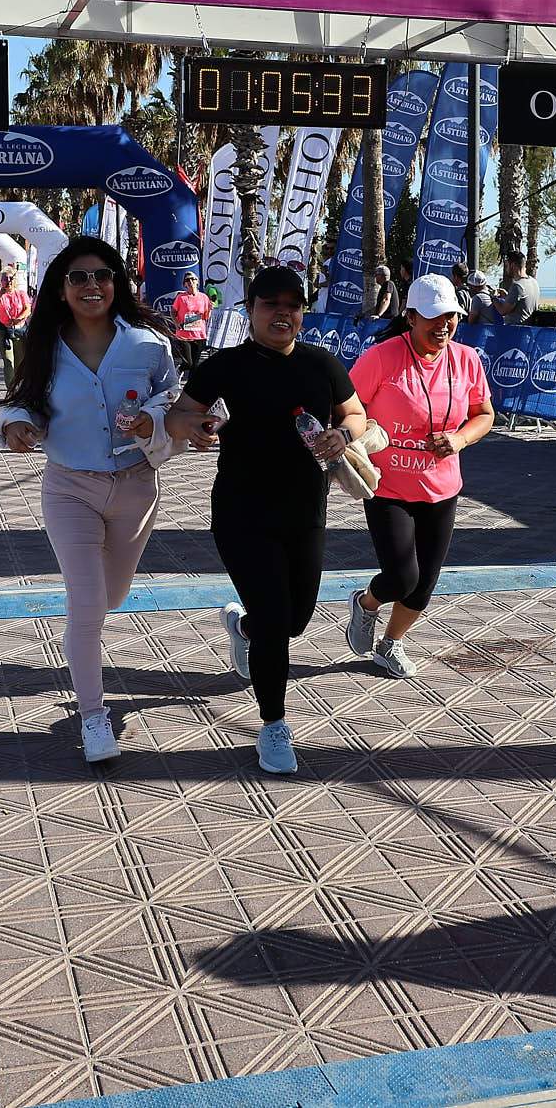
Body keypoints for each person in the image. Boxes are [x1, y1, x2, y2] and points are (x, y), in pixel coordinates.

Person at [167, 266, 370, 776]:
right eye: (270, 304)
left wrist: (344, 436)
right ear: (250, 311)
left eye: (293, 305)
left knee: (294, 619)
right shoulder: (226, 365)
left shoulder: (322, 363)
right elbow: (177, 415)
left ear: (302, 312)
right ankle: (274, 724)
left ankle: (245, 626)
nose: (283, 313)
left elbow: (357, 414)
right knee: (278, 621)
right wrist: (198, 428)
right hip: (241, 509)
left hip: (306, 510)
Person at [0, 237, 186, 764]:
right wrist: (17, 427)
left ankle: (92, 674)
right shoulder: (43, 343)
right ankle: (94, 718)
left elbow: (174, 397)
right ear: (61, 288)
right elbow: (22, 403)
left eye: (101, 275)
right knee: (86, 606)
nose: (91, 286)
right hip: (68, 488)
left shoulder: (148, 344)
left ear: (116, 284)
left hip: (136, 487)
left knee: (112, 597)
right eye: (78, 277)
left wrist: (154, 416)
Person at [345, 274, 496, 676]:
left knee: (424, 584)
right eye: (433, 317)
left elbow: (484, 415)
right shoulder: (380, 357)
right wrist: (352, 436)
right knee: (401, 576)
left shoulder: (466, 360)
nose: (444, 324)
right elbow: (347, 408)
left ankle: (390, 645)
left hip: (442, 486)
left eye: (451, 316)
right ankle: (366, 604)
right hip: (387, 484)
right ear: (410, 317)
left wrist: (460, 439)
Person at [0, 269, 32, 391]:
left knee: (20, 363)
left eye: (10, 278)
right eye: (5, 279)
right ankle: (11, 390)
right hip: (4, 331)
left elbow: (28, 309)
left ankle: (19, 388)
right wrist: (0, 293)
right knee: (9, 361)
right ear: (1, 281)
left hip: (19, 330)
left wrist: (19, 318)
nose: (8, 281)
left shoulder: (21, 293)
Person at [171, 272, 212, 373]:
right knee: (188, 363)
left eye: (192, 279)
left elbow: (206, 316)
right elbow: (172, 312)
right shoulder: (181, 297)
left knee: (195, 366)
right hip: (184, 334)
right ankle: (177, 372)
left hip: (199, 335)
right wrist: (176, 323)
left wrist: (210, 310)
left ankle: (191, 387)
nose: (190, 282)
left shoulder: (204, 297)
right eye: (187, 280)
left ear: (197, 282)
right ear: (184, 284)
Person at [493, 252, 541, 325]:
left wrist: (493, 298)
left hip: (516, 332)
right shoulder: (534, 282)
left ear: (513, 265)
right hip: (529, 330)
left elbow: (503, 311)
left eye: (507, 265)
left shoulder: (517, 286)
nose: (506, 269)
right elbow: (522, 304)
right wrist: (507, 296)